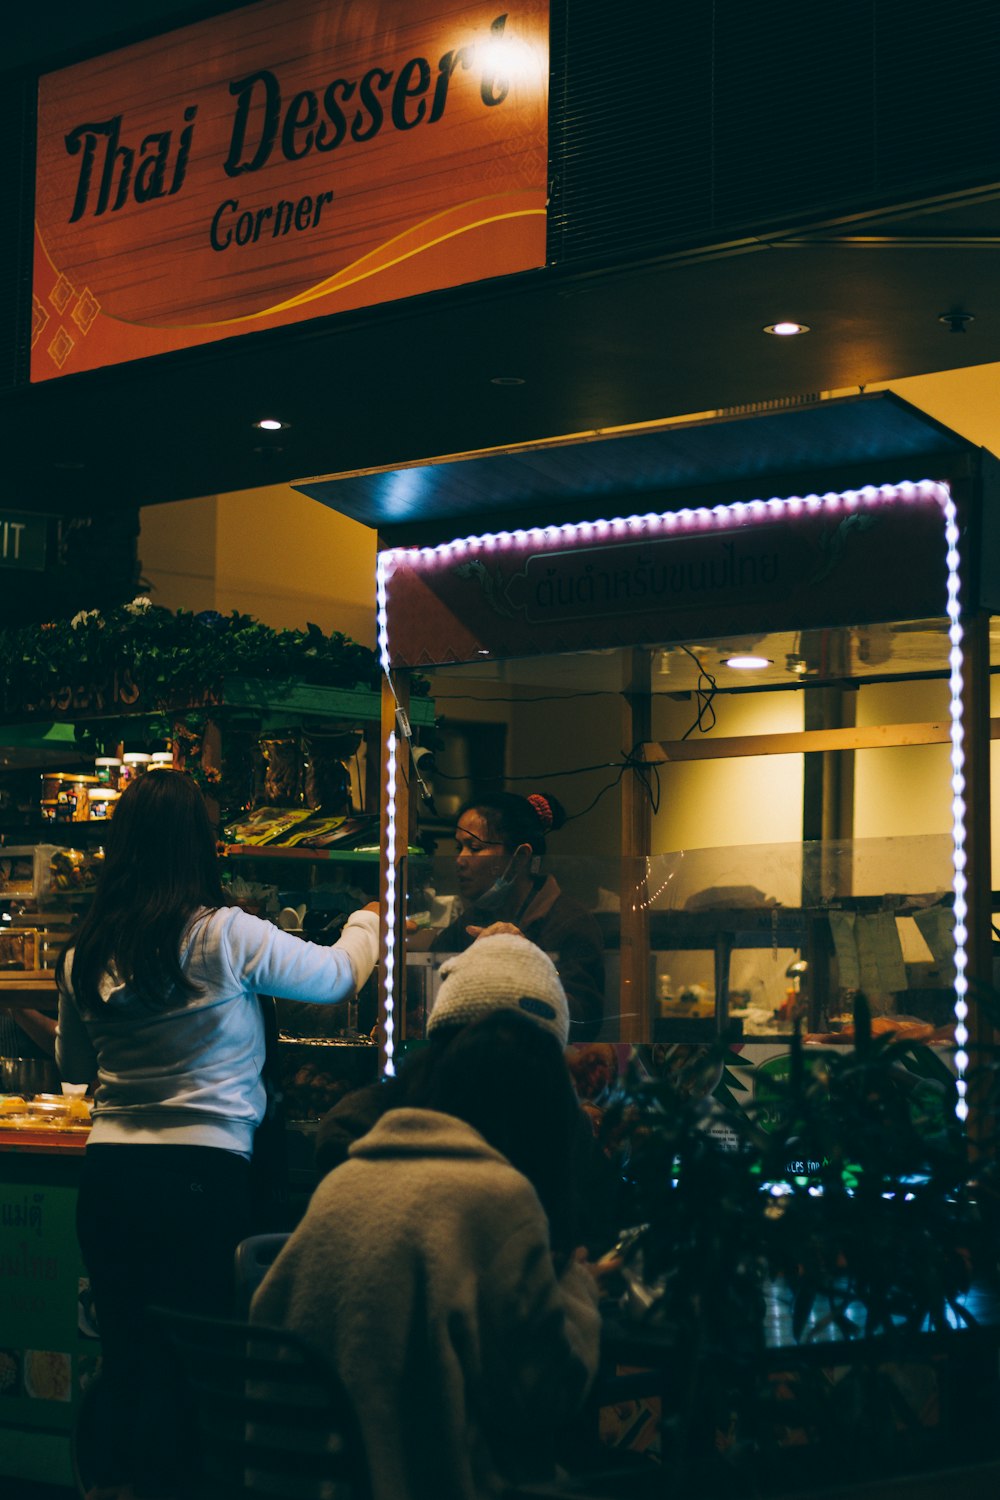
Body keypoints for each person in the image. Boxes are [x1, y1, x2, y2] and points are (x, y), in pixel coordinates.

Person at [54, 769, 380, 1500]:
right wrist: (369, 921)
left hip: (108, 1180)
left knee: (134, 1362)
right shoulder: (221, 935)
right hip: (202, 1179)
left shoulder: (82, 952)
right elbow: (334, 979)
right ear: (196, 844)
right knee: (204, 1367)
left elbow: (75, 1068)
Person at [252, 935, 605, 1500]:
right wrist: (578, 1288)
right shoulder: (498, 1198)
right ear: (543, 1092)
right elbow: (541, 1396)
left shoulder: (347, 1176)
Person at [420, 791, 605, 1041]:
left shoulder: (570, 922)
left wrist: (528, 959)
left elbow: (583, 1021)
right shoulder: (471, 921)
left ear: (520, 858)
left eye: (474, 847)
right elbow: (427, 994)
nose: (460, 859)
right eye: (458, 846)